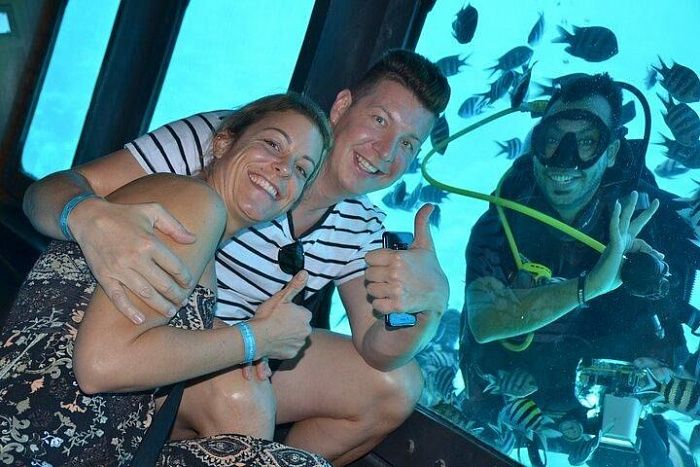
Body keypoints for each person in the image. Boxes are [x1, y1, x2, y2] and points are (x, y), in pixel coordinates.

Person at [21, 49, 452, 464]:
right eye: (380, 120)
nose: (386, 151)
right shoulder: (226, 145)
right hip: (134, 348)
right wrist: (86, 215)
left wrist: (428, 307)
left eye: (408, 144)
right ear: (342, 107)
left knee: (396, 384)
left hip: (230, 353)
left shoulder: (360, 225)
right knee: (241, 393)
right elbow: (48, 191)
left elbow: (379, 350)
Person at [0, 92, 335, 465]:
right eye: (272, 144)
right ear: (223, 143)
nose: (284, 169)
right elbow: (102, 365)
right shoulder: (192, 203)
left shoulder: (202, 242)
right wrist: (256, 338)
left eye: (301, 169)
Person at [460, 73, 700, 465]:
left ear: (611, 150)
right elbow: (484, 322)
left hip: (614, 406)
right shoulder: (504, 219)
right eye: (553, 139)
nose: (565, 159)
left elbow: (674, 323)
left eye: (587, 141)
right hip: (509, 399)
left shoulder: (651, 217)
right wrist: (591, 284)